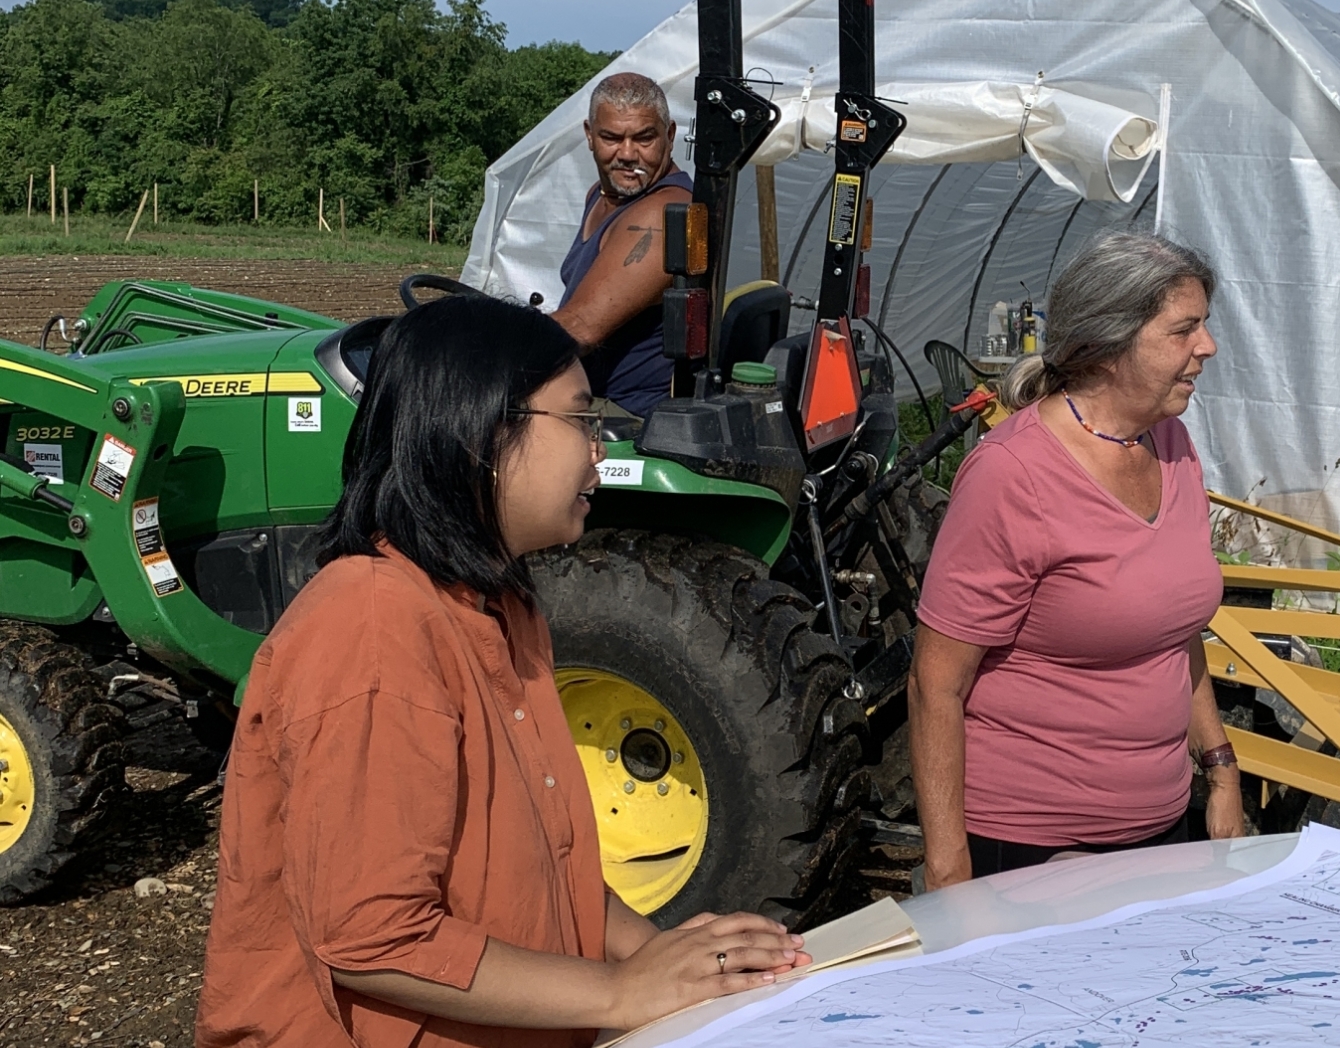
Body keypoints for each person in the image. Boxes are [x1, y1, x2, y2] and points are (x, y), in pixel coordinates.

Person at [196, 295, 809, 1046]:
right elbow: (370, 937)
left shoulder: (503, 606)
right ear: (481, 429)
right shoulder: (373, 625)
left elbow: (557, 865)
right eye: (582, 419)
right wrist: (619, 992)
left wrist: (670, 960)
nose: (598, 448)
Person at [908, 231, 1247, 891]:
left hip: (1160, 826)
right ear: (1107, 347)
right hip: (1030, 847)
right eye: (1184, 331)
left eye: (1204, 326)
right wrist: (951, 880)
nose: (1206, 347)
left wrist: (1221, 771)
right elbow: (935, 685)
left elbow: (1175, 631)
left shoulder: (1171, 443)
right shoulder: (1014, 474)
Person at [552, 72, 693, 417]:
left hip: (623, 415)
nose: (627, 154)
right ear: (590, 136)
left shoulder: (665, 213)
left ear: (669, 135)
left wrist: (482, 342)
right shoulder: (601, 197)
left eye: (644, 139)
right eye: (611, 138)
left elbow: (580, 327)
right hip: (584, 394)